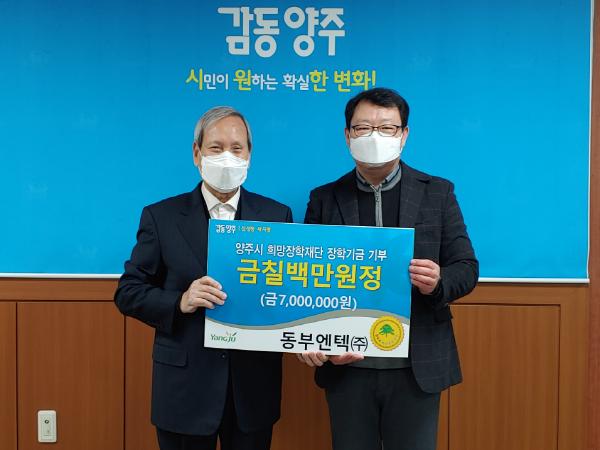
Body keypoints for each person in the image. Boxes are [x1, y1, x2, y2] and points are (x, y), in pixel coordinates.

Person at [297, 87, 478, 450]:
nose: (374, 136)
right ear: (348, 135)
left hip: (416, 365)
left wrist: (438, 281)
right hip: (347, 365)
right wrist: (311, 339)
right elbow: (306, 280)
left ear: (404, 134)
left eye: (387, 128)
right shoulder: (324, 198)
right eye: (363, 128)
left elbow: (466, 268)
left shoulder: (437, 193)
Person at [114, 106, 292, 450]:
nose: (227, 157)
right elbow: (128, 292)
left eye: (237, 148)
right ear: (197, 154)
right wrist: (180, 301)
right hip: (185, 388)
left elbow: (288, 293)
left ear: (249, 155)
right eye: (216, 147)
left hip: (252, 389)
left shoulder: (276, 215)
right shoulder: (162, 216)